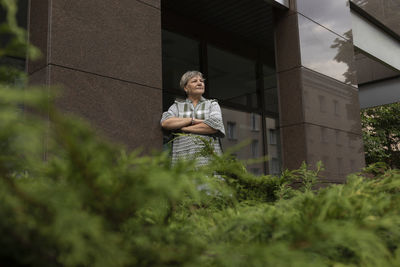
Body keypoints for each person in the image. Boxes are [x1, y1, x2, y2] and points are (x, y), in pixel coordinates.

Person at [161, 71, 225, 166]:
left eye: (201, 81)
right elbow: (166, 122)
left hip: (210, 164)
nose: (200, 83)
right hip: (182, 163)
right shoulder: (176, 106)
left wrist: (183, 128)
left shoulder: (212, 104)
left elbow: (214, 126)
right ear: (186, 88)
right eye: (194, 81)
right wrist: (191, 120)